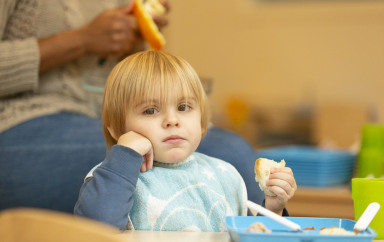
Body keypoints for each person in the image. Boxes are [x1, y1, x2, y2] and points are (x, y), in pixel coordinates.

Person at [74, 50, 297, 231]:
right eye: (150, 110)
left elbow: (255, 235)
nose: (172, 120)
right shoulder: (112, 179)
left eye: (183, 107)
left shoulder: (225, 174)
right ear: (116, 128)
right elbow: (95, 231)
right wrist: (124, 155)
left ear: (201, 121)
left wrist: (273, 209)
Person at [0, 0, 169, 213]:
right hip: (14, 126)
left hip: (97, 120)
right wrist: (82, 40)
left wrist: (135, 41)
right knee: (209, 152)